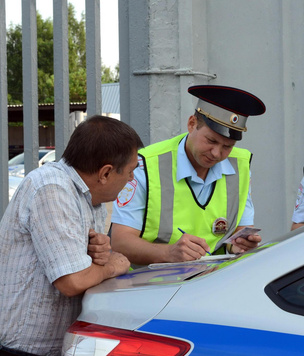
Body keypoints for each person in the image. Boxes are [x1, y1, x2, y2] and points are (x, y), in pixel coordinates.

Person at [0, 115, 143, 355]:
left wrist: (99, 254)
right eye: (130, 171)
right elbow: (72, 281)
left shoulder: (90, 198)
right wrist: (112, 265)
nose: (131, 179)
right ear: (105, 173)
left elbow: (84, 268)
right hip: (22, 348)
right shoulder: (52, 188)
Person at [110, 85, 266, 268]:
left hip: (210, 282)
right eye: (211, 141)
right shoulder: (146, 165)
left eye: (227, 146)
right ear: (192, 124)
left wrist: (238, 245)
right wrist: (168, 253)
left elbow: (238, 232)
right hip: (150, 285)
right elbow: (120, 241)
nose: (217, 153)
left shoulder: (240, 165)